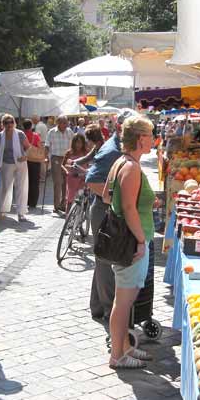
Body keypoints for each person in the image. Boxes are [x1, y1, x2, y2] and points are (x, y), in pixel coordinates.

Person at [106, 115, 156, 369]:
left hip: (125, 240)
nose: (154, 139)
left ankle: (124, 347)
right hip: (132, 242)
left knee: (123, 300)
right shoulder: (132, 167)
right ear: (140, 138)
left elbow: (107, 196)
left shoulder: (121, 162)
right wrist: (140, 240)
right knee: (124, 302)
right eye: (151, 135)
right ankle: (117, 355)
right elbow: (128, 207)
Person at [85, 111, 131, 320]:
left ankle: (98, 306)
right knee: (106, 260)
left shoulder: (119, 148)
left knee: (103, 259)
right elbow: (93, 182)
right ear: (121, 128)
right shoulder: (111, 151)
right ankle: (108, 309)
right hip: (104, 211)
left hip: (107, 209)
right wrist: (120, 201)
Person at [0, 114, 29, 221]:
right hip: (6, 163)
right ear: (3, 124)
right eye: (6, 122)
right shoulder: (0, 135)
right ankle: (2, 209)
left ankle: (21, 212)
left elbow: (28, 147)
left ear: (14, 123)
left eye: (11, 122)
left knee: (21, 187)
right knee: (5, 187)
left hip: (20, 162)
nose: (9, 124)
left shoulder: (20, 134)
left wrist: (25, 156)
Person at [46, 115, 73, 213]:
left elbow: (73, 143)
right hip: (56, 158)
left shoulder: (69, 132)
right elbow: (47, 145)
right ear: (58, 123)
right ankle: (56, 205)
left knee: (66, 181)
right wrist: (46, 157)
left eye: (66, 123)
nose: (66, 125)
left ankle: (63, 204)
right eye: (63, 123)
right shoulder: (51, 132)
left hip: (67, 158)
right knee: (57, 182)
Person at [63, 133, 91, 209]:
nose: (78, 144)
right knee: (70, 198)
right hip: (72, 178)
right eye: (77, 142)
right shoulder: (69, 152)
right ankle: (68, 214)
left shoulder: (86, 153)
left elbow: (89, 164)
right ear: (73, 142)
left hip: (83, 177)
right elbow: (63, 165)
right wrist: (68, 170)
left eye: (80, 142)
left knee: (81, 196)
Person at [22, 120, 44, 210]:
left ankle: (25, 201)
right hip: (35, 161)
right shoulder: (36, 135)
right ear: (31, 126)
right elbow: (40, 147)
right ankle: (33, 202)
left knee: (25, 181)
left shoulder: (21, 135)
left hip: (24, 160)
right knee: (35, 182)